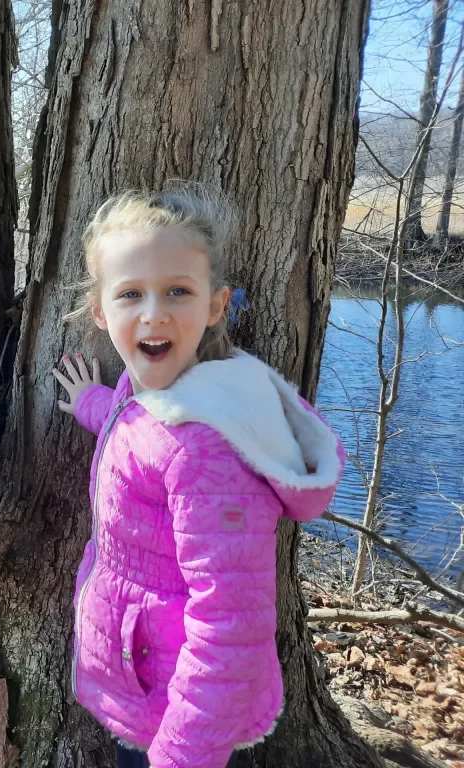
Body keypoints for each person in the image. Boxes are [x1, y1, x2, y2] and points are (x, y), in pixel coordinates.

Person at [53, 186, 345, 768]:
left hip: (178, 722)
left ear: (216, 306)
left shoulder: (209, 452)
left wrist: (182, 758)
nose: (154, 312)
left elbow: (230, 627)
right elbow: (132, 434)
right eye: (130, 293)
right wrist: (89, 401)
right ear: (100, 311)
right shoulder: (150, 394)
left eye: (178, 292)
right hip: (142, 684)